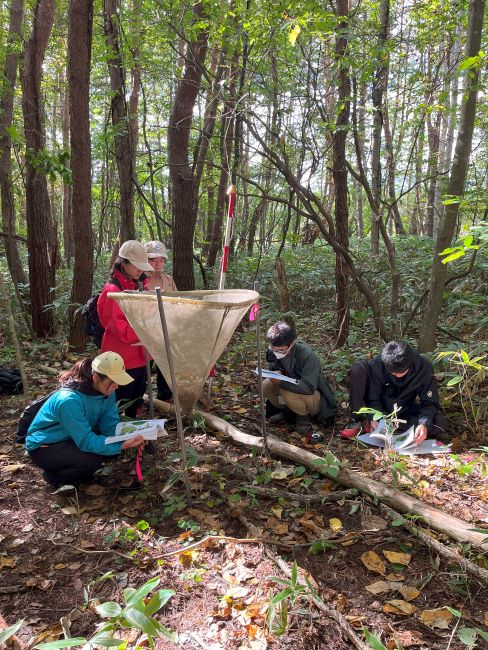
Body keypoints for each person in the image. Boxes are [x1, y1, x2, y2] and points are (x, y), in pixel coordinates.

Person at [25, 353, 145, 486]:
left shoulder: (107, 392)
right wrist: (120, 445)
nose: (117, 386)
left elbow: (109, 424)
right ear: (95, 377)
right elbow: (85, 441)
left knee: (106, 453)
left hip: (72, 437)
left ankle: (77, 471)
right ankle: (54, 477)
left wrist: (131, 435)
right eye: (113, 381)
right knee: (91, 461)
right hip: (45, 445)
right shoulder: (69, 400)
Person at [340, 340, 449, 444]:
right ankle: (365, 422)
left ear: (410, 364)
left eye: (401, 372)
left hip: (404, 409)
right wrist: (374, 417)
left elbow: (430, 402)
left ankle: (393, 426)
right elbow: (373, 398)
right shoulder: (377, 365)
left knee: (440, 423)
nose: (396, 375)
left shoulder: (424, 367)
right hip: (380, 408)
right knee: (358, 368)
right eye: (393, 373)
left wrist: (423, 423)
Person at [97, 240, 154, 417]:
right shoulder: (112, 289)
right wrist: (146, 333)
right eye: (137, 266)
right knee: (121, 398)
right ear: (123, 263)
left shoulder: (140, 285)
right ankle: (118, 435)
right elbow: (117, 326)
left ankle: (134, 435)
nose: (140, 270)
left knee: (137, 396)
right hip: (121, 357)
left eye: (142, 266)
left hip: (141, 354)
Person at [263, 321, 337, 434]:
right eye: (274, 349)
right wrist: (276, 372)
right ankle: (288, 413)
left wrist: (281, 382)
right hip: (293, 392)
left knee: (286, 389)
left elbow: (308, 387)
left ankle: (303, 418)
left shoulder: (307, 356)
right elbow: (274, 367)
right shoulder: (273, 352)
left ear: (292, 344)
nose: (276, 353)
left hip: (314, 399)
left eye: (281, 350)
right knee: (266, 384)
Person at [144, 240, 177, 401]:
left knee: (166, 365)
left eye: (161, 260)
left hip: (166, 329)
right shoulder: (141, 280)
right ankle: (139, 398)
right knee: (143, 367)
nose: (157, 264)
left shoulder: (168, 280)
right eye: (153, 260)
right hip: (146, 331)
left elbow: (178, 302)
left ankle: (164, 398)